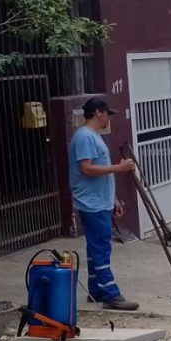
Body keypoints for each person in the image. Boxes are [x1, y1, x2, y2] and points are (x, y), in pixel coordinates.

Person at [69, 98, 139, 311]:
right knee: (101, 247)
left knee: (94, 247)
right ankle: (110, 293)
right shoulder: (84, 137)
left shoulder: (92, 137)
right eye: (107, 113)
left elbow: (100, 170)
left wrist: (114, 199)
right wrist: (119, 168)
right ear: (98, 113)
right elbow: (87, 169)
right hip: (92, 202)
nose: (108, 118)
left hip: (100, 200)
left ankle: (96, 289)